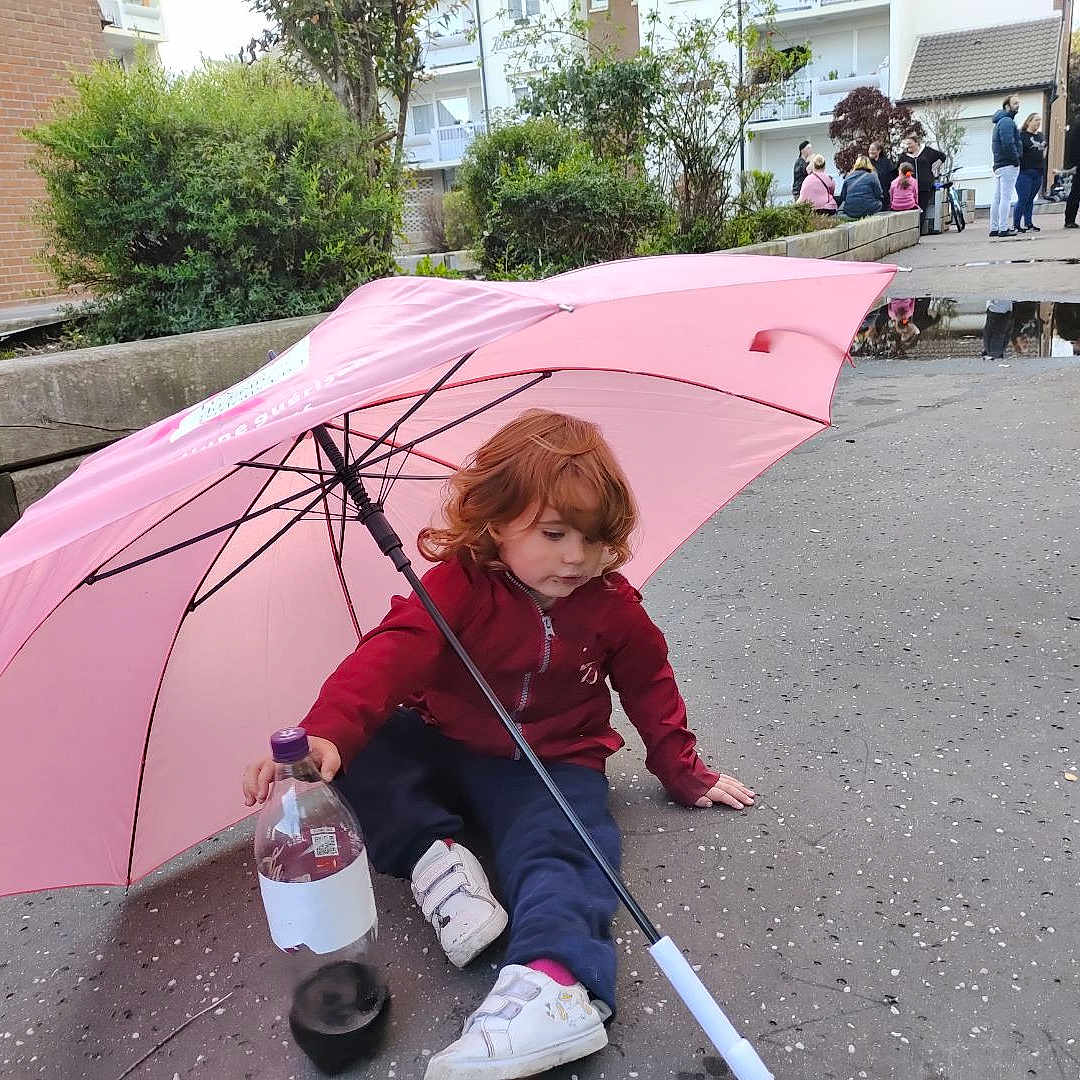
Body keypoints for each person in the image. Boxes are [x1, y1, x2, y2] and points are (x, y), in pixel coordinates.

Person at [242, 410, 756, 1080]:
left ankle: (553, 982)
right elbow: (392, 655)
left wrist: (683, 771)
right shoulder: (458, 585)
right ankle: (439, 861)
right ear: (494, 521)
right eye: (554, 533)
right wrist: (329, 731)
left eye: (596, 539)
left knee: (562, 845)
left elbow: (650, 683)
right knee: (356, 758)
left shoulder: (611, 606)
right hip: (443, 740)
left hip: (550, 758)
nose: (577, 556)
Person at [897, 133, 946, 232]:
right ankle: (911, 231)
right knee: (911, 208)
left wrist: (935, 167)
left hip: (925, 186)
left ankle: (917, 232)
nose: (908, 146)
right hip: (909, 187)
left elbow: (942, 156)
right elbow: (899, 169)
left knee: (922, 209)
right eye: (907, 144)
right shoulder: (904, 156)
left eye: (910, 143)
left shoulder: (926, 151)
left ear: (916, 143)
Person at [989, 95, 1022, 237]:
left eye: (1018, 103)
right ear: (1007, 106)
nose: (1018, 106)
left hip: (999, 164)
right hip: (1008, 164)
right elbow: (1008, 143)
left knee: (997, 198)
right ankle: (1003, 228)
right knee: (1005, 197)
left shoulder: (1000, 122)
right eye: (1015, 103)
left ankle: (994, 228)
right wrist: (1016, 159)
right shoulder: (1007, 121)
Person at [1012, 113, 1046, 232]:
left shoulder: (1041, 136)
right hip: (1025, 172)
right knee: (1023, 198)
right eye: (1036, 120)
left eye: (1039, 120)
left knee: (1031, 199)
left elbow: (1043, 150)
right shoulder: (1022, 135)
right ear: (1029, 121)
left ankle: (1028, 223)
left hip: (1038, 172)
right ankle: (1016, 224)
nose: (1038, 122)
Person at [836, 155, 883, 220]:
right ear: (869, 165)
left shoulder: (848, 177)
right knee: (880, 203)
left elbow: (843, 197)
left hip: (850, 210)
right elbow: (879, 194)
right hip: (867, 208)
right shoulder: (873, 176)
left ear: (856, 164)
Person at [869, 141, 898, 211]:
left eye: (872, 149)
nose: (870, 151)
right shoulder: (867, 162)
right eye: (869, 149)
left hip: (885, 197)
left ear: (879, 151)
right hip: (872, 197)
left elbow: (893, 178)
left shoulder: (887, 162)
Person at [1064, 122, 1080, 229]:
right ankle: (1069, 220)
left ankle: (1069, 220)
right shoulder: (1077, 128)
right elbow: (1073, 146)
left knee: (1075, 192)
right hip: (1078, 164)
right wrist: (1073, 164)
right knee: (1076, 192)